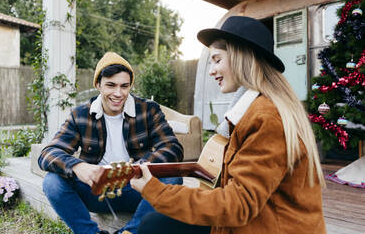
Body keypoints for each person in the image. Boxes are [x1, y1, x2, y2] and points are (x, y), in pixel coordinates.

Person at [131, 16, 327, 234]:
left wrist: (156, 192)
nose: (212, 71)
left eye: (217, 60)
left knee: (153, 226)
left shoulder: (266, 117)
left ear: (240, 56)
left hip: (270, 227)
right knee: (156, 223)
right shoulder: (259, 109)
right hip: (256, 222)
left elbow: (239, 204)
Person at [38, 52, 183, 234]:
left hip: (137, 188)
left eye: (124, 86)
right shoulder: (80, 115)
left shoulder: (148, 110)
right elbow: (48, 153)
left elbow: (172, 147)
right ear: (98, 84)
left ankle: (130, 233)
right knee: (52, 182)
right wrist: (78, 167)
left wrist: (140, 167)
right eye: (111, 85)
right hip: (96, 191)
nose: (118, 93)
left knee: (173, 179)